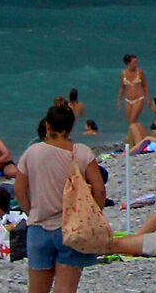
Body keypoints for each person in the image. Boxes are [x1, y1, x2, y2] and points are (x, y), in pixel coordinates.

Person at [20, 103, 102, 293]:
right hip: (72, 227)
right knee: (66, 289)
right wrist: (93, 214)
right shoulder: (82, 152)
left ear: (47, 126)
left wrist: (31, 212)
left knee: (36, 289)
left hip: (38, 227)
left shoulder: (31, 153)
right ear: (71, 127)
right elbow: (99, 189)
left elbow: (20, 191)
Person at [119, 54, 151, 140]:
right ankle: (135, 138)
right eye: (134, 63)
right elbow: (122, 87)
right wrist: (119, 100)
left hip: (139, 98)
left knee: (132, 121)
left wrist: (148, 99)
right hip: (128, 100)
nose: (136, 64)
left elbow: (145, 86)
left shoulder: (140, 72)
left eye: (136, 62)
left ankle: (133, 139)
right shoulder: (123, 73)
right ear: (128, 63)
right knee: (130, 122)